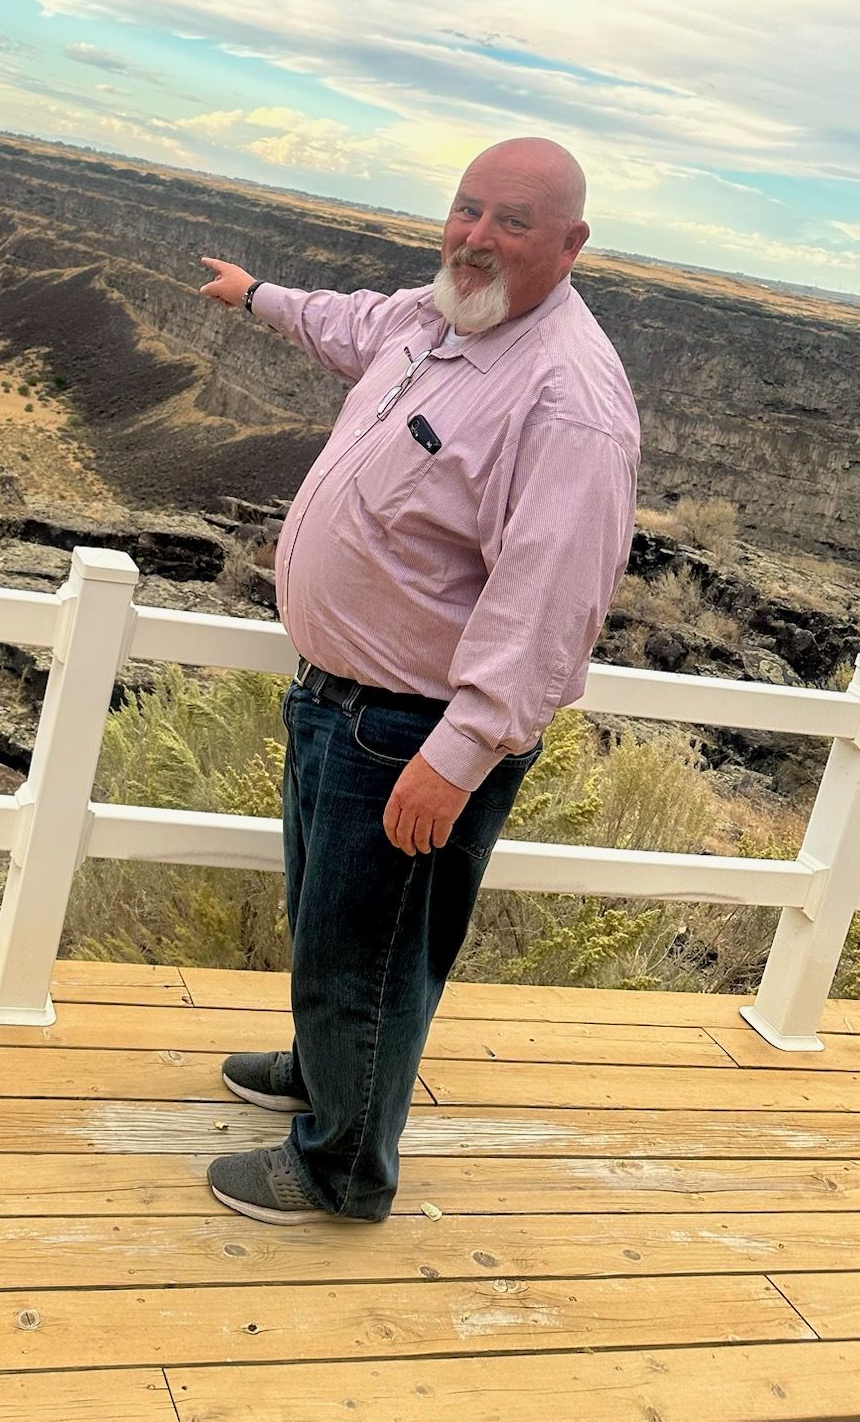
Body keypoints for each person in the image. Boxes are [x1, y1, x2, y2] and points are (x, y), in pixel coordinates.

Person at [196, 136, 639, 1225]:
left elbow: (548, 607)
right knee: (326, 924)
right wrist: (256, 294)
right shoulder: (435, 315)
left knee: (373, 957)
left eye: (513, 221)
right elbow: (343, 322)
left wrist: (459, 751)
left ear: (572, 244)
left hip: (413, 730)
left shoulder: (567, 398)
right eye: (467, 209)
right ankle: (320, 1071)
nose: (478, 236)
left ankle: (341, 1166)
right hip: (338, 702)